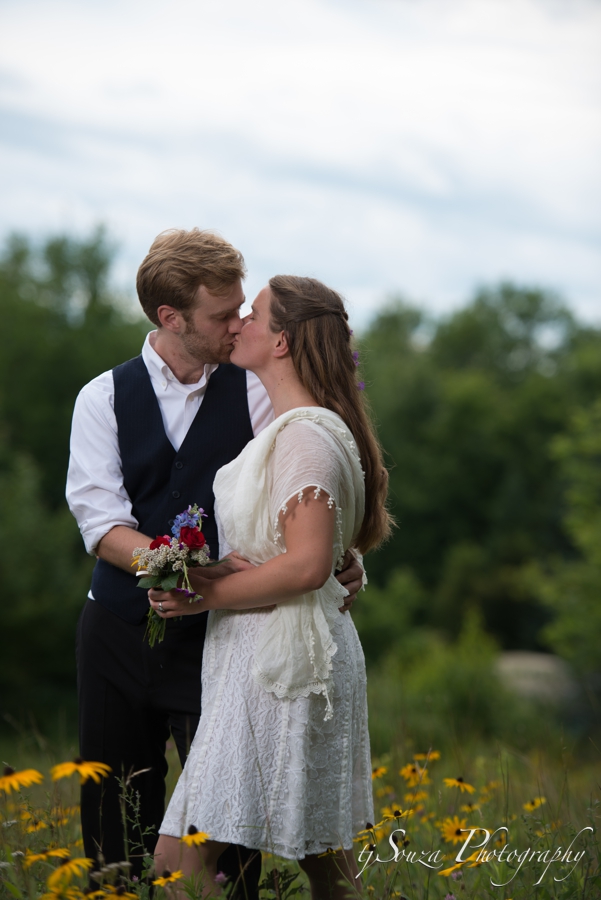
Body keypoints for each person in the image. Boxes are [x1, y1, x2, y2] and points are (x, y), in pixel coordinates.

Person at [66, 231, 364, 896]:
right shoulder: (103, 399)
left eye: (241, 310)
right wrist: (181, 574)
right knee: (114, 828)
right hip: (118, 634)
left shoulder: (260, 388)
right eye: (221, 315)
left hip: (228, 645)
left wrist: (342, 555)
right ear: (171, 319)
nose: (237, 324)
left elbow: (310, 488)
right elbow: (101, 525)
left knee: (226, 840)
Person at [151, 275, 392, 900]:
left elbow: (308, 565)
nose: (239, 324)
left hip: (279, 668)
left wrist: (202, 595)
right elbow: (300, 555)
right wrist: (213, 570)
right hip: (274, 659)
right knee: (327, 868)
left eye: (251, 315)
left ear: (281, 342)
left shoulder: (305, 435)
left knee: (180, 862)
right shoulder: (300, 428)